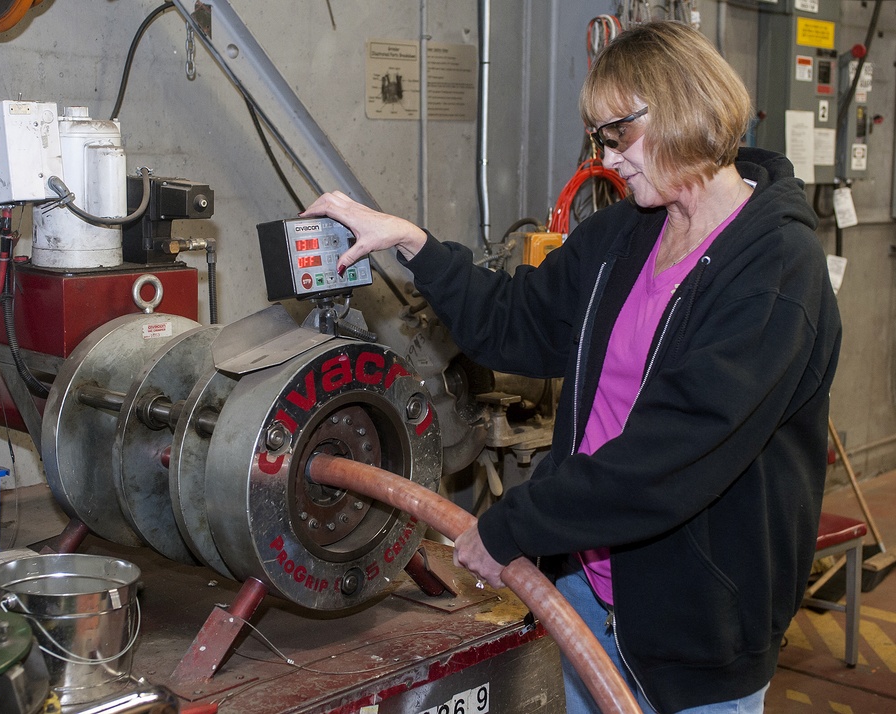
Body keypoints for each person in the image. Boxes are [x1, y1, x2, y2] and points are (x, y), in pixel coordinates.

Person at [302, 20, 841, 714]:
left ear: (681, 109)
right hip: (588, 588)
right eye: (599, 138)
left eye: (617, 134)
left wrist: (513, 527)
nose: (606, 158)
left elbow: (667, 458)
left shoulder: (774, 273)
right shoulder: (627, 232)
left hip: (699, 627)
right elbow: (515, 322)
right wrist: (414, 246)